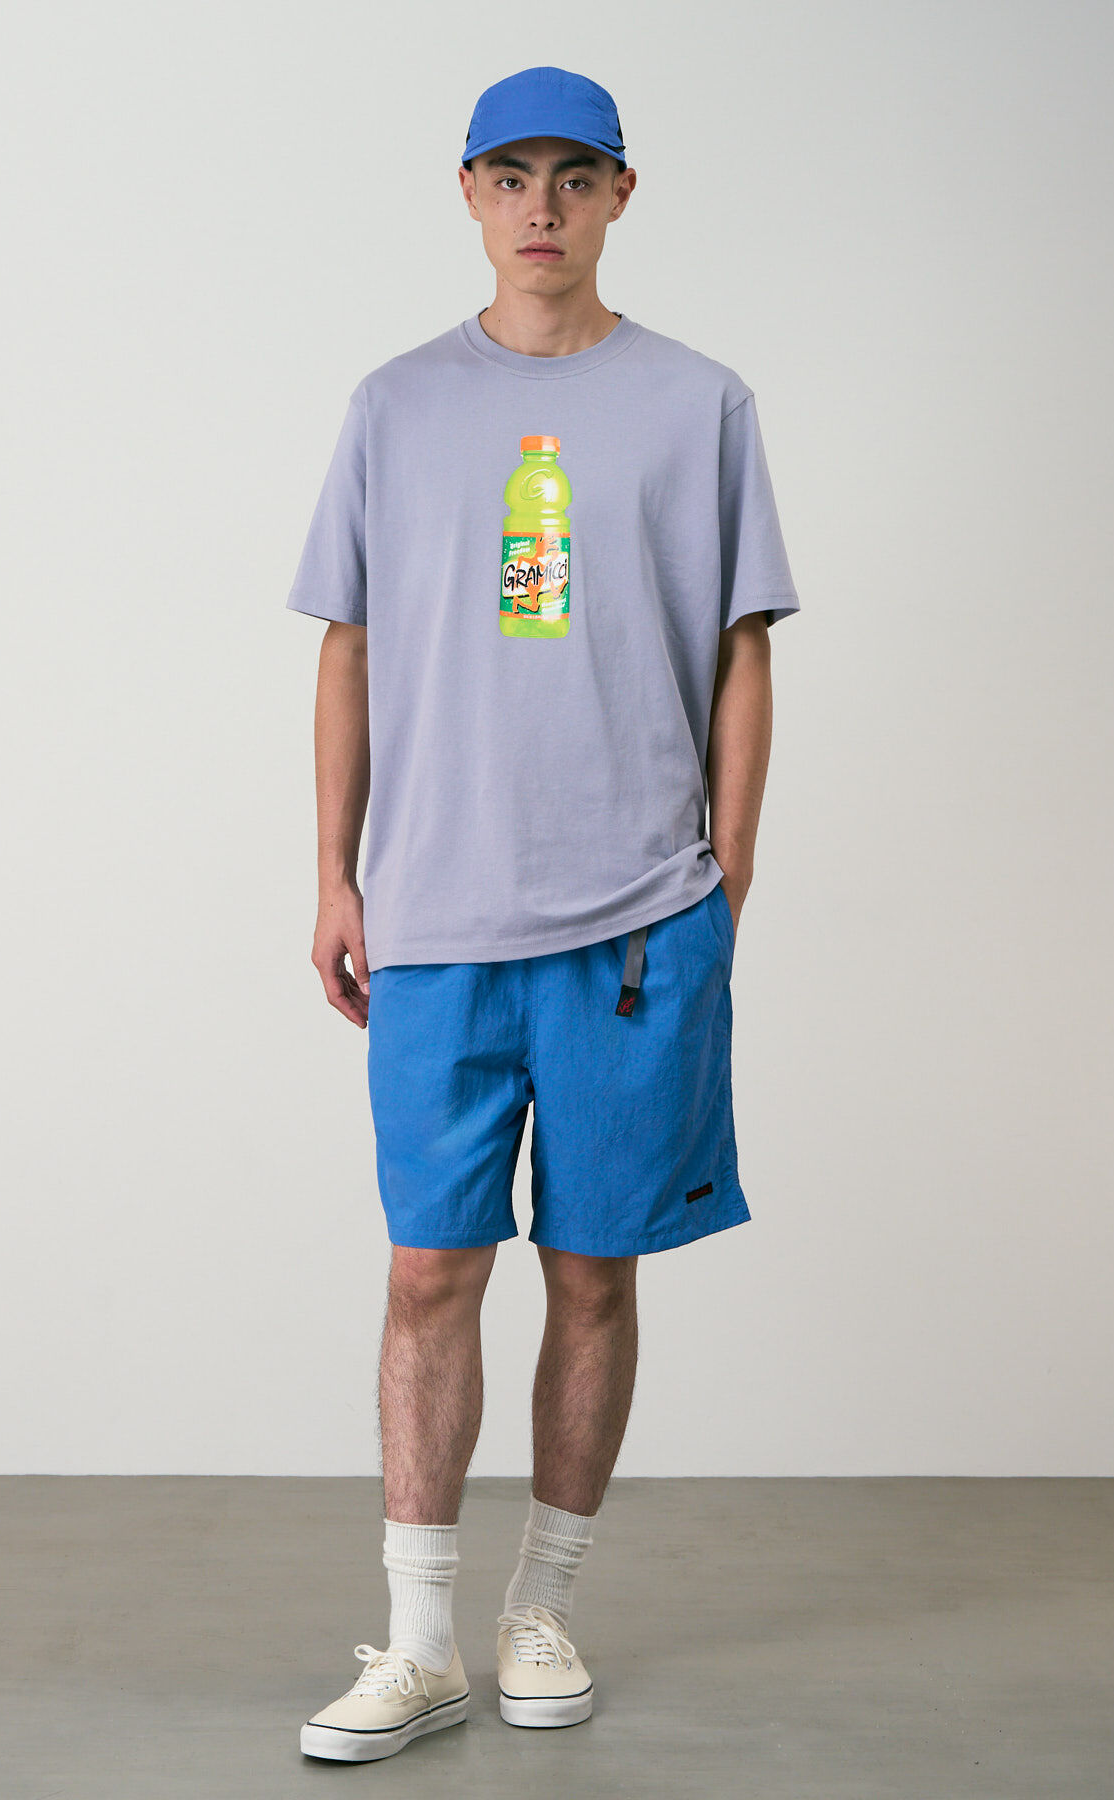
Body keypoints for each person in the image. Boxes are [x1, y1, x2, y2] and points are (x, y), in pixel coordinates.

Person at [286, 65, 800, 1764]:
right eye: (510, 176)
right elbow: (348, 645)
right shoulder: (395, 405)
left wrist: (727, 872)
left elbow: (741, 645)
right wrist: (335, 871)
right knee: (430, 1268)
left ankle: (542, 1608)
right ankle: (421, 1639)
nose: (542, 208)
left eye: (575, 176)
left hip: (636, 924)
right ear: (467, 192)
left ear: (622, 195)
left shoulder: (699, 403)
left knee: (594, 1272)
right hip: (438, 918)